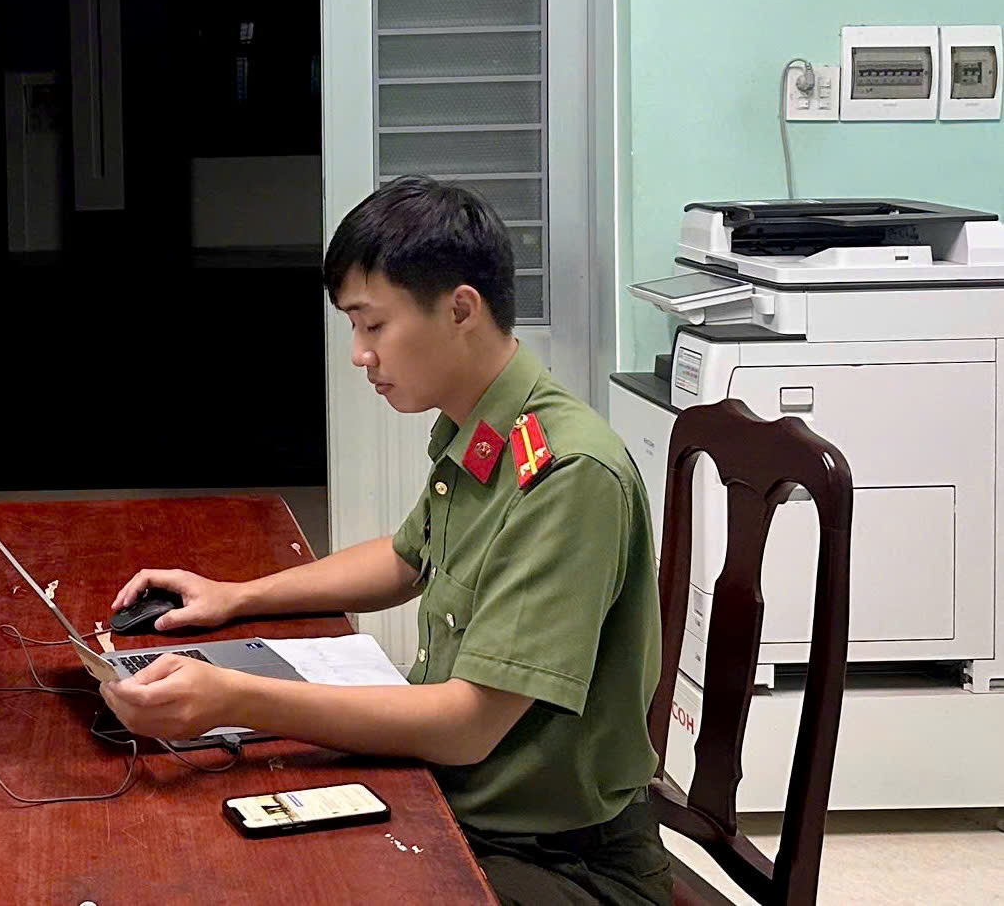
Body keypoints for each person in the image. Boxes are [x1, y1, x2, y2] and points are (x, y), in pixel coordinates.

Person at [102, 178, 668, 905]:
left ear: (460, 309)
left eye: (372, 325)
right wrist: (235, 596)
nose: (359, 355)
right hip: (463, 803)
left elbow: (466, 727)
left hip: (560, 859)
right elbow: (407, 557)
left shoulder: (566, 473)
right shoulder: (485, 427)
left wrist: (234, 699)